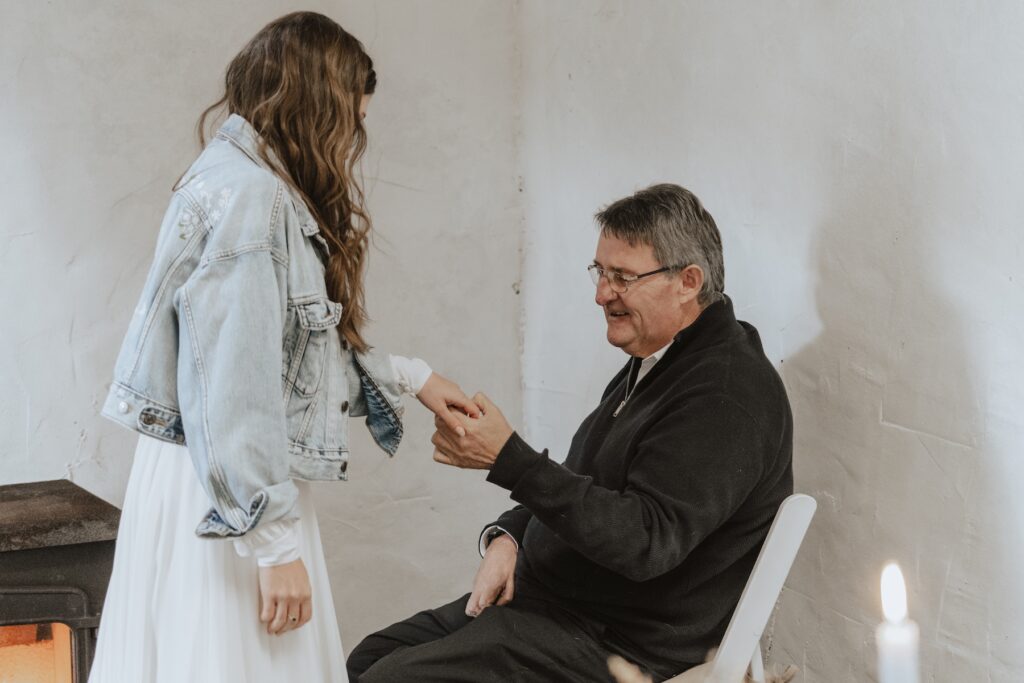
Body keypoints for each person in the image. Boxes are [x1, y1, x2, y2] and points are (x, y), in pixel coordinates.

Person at [89, 12, 477, 683]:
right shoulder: (254, 201)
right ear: (318, 109)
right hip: (231, 495)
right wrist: (273, 545)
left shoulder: (229, 175)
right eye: (352, 120)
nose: (355, 137)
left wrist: (410, 376)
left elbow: (279, 359)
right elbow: (236, 390)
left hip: (215, 479)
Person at [347, 183, 794, 682]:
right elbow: (586, 486)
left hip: (620, 640)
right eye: (600, 272)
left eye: (622, 277)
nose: (602, 294)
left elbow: (646, 541)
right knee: (367, 659)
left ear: (688, 281)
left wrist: (507, 459)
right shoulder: (660, 361)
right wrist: (509, 537)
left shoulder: (724, 395)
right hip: (556, 604)